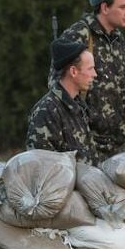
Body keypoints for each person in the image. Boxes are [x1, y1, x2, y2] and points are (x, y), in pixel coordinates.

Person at [48, 0, 125, 161]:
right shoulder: (79, 35)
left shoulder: (121, 42)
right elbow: (57, 86)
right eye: (123, 7)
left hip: (114, 144)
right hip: (84, 144)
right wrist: (77, 129)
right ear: (104, 7)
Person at [26, 38, 99, 166]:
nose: (95, 74)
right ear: (73, 72)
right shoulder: (47, 111)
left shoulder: (79, 106)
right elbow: (41, 166)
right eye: (90, 68)